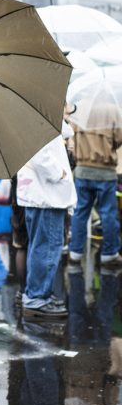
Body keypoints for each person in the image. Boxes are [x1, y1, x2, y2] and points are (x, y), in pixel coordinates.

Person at [17, 121, 77, 318]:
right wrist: (58, 173)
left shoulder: (41, 116)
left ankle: (37, 295)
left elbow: (64, 132)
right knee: (47, 248)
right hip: (47, 195)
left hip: (41, 195)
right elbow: (40, 153)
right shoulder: (39, 120)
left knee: (41, 247)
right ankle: (37, 298)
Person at [68, 101, 122, 268]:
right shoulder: (113, 110)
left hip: (82, 170)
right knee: (108, 213)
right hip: (105, 171)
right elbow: (119, 139)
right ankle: (109, 254)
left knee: (80, 212)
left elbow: (71, 135)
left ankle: (75, 253)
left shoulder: (80, 109)